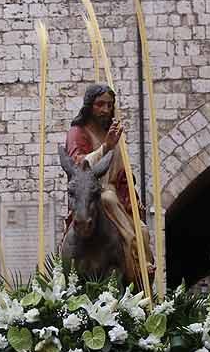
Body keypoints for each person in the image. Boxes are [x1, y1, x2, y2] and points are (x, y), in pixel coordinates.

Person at [65, 83, 153, 284]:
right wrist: (105, 147)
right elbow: (79, 165)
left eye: (109, 105)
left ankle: (142, 263)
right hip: (89, 193)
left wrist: (132, 198)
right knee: (108, 198)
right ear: (89, 105)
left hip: (116, 194)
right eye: (100, 104)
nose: (105, 109)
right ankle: (133, 248)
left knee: (143, 230)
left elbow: (123, 174)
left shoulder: (113, 135)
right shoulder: (77, 132)